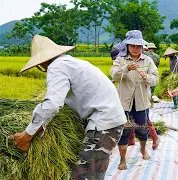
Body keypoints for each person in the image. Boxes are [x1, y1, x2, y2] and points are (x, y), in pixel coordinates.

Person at [8, 35, 127, 180]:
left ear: (42, 63)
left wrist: (27, 135)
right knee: (91, 173)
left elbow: (52, 104)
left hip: (105, 123)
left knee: (84, 174)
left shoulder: (56, 67)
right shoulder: (71, 62)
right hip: (109, 119)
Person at [110, 30, 159, 170]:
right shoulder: (120, 60)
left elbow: (155, 78)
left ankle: (143, 150)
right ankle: (123, 159)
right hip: (124, 103)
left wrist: (147, 78)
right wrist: (125, 68)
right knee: (124, 131)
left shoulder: (148, 60)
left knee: (143, 130)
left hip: (142, 103)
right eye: (132, 46)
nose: (136, 48)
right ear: (127, 46)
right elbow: (113, 74)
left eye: (138, 46)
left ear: (142, 47)